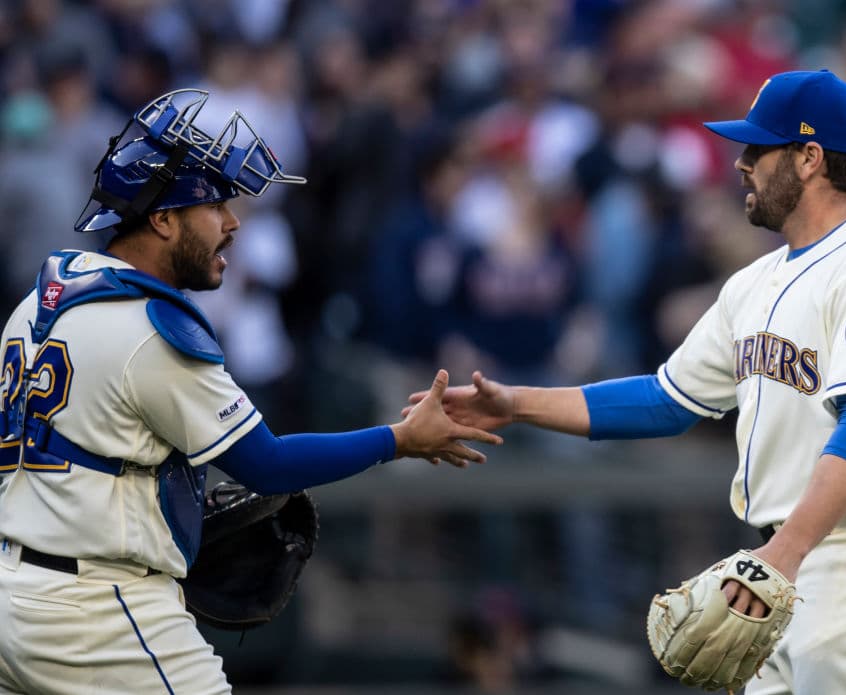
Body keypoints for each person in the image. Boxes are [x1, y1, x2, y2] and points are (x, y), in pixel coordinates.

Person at [408, 70, 846, 694]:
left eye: (759, 149)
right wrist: (516, 405)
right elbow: (665, 401)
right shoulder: (753, 284)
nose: (741, 164)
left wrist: (781, 558)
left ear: (809, 159)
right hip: (792, 563)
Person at [0, 88, 502, 694]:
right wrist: (399, 439)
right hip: (97, 611)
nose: (234, 225)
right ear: (162, 219)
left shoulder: (36, 306)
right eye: (215, 205)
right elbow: (266, 464)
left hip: (13, 595)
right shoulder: (148, 330)